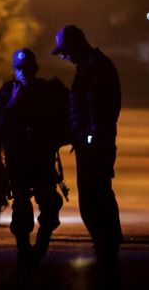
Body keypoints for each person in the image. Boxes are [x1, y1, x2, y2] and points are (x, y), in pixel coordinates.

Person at [52, 25, 123, 265]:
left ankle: (107, 245)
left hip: (94, 146)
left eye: (65, 50)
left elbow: (97, 108)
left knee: (95, 196)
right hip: (92, 144)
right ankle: (106, 244)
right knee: (96, 194)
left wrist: (90, 138)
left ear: (75, 45)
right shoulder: (92, 65)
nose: (64, 56)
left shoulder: (94, 67)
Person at [0, 48, 66, 267]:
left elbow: (63, 114)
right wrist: (13, 102)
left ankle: (42, 243)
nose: (23, 73)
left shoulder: (45, 90)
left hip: (42, 157)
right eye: (19, 69)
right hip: (18, 158)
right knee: (22, 206)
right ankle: (24, 249)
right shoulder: (8, 91)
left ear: (34, 69)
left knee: (50, 204)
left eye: (27, 69)